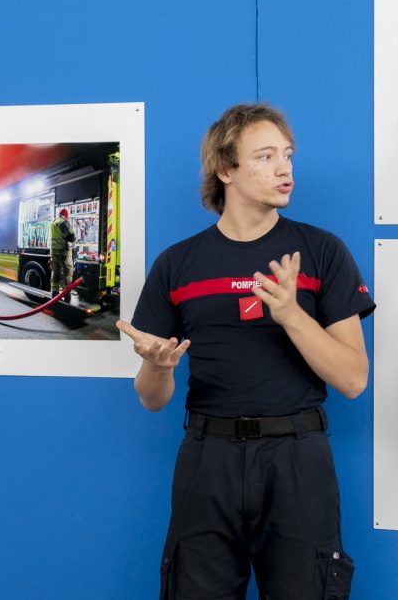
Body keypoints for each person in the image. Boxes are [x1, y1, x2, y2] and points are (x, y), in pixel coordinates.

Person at [117, 103, 375, 600]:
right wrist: (157, 366)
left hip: (297, 460)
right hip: (207, 460)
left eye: (288, 155)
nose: (284, 169)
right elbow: (151, 399)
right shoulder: (177, 264)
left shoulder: (322, 252)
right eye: (265, 156)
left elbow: (353, 379)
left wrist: (292, 314)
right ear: (225, 169)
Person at [49, 208, 75, 302]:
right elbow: (72, 237)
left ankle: (54, 293)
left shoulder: (52, 222)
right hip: (63, 253)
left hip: (54, 252)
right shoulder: (64, 222)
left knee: (55, 272)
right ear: (66, 215)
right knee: (67, 273)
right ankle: (66, 296)